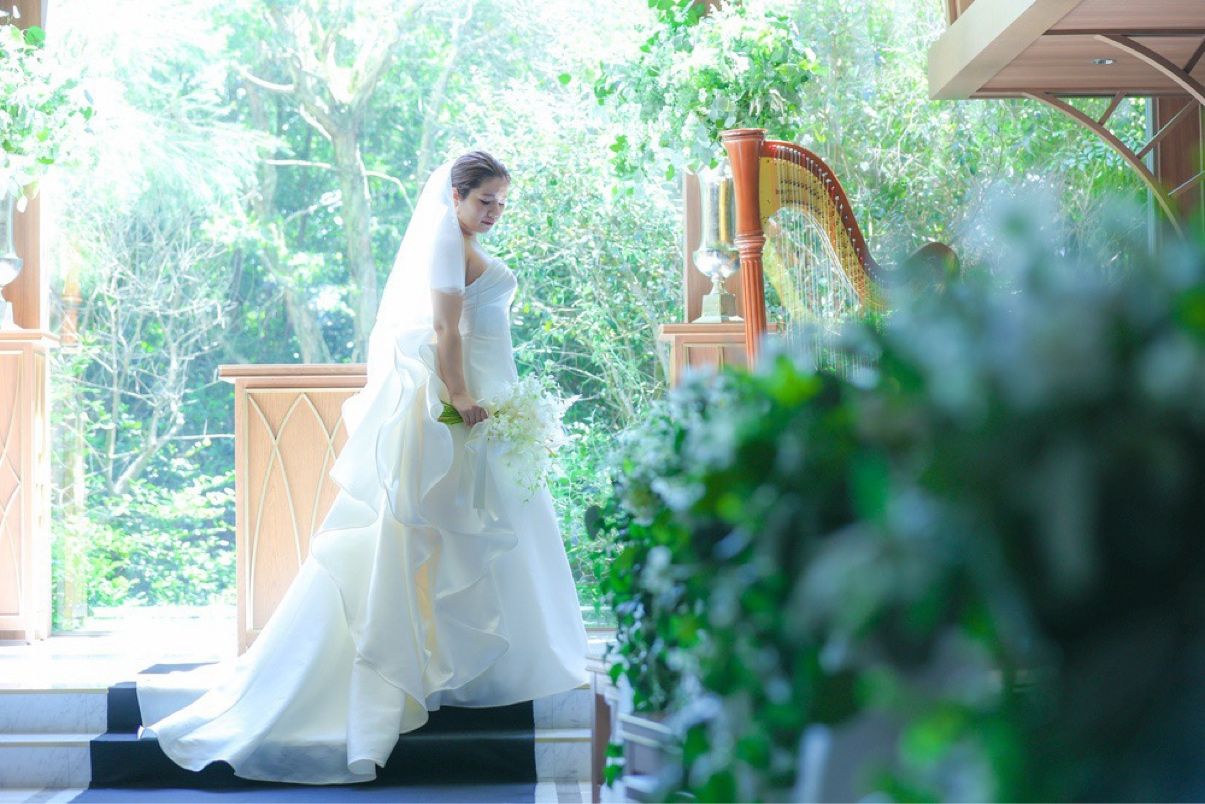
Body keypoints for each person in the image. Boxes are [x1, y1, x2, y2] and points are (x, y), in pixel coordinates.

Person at [136, 151, 590, 784]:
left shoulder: (464, 241)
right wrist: (460, 395)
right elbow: (444, 329)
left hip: (491, 391)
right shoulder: (446, 241)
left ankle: (475, 669)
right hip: (466, 399)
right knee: (434, 533)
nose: (494, 212)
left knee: (479, 529)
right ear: (455, 197)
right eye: (484, 201)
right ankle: (417, 668)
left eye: (501, 203)